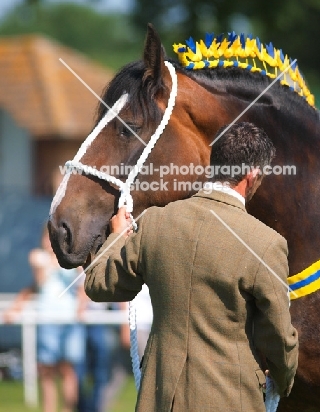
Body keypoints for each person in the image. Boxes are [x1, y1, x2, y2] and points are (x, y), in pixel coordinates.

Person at [84, 122, 299, 412]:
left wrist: (117, 238)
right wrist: (284, 380)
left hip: (158, 400)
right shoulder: (266, 243)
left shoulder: (155, 223)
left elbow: (99, 284)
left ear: (215, 163)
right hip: (230, 400)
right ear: (252, 174)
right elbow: (279, 336)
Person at [4, 226, 85, 412]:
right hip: (47, 319)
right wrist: (53, 260)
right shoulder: (38, 257)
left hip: (69, 319)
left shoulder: (72, 260)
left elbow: (82, 283)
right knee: (47, 370)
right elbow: (39, 282)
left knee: (67, 370)